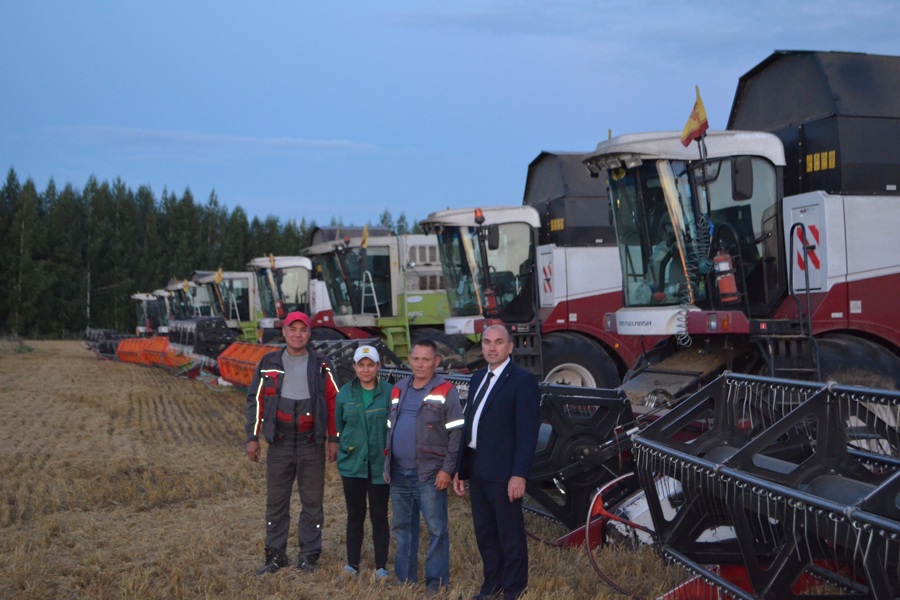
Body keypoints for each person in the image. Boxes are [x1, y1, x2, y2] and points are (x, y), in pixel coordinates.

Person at [245, 311, 339, 575]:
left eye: (303, 330)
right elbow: (256, 401)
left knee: (312, 503)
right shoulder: (268, 362)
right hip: (280, 443)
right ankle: (275, 556)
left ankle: (309, 555)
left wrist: (334, 439)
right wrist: (252, 438)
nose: (298, 334)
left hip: (311, 444)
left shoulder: (322, 364)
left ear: (309, 334)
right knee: (276, 502)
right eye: (293, 329)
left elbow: (334, 402)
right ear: (284, 332)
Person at [453, 324, 541, 600]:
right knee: (485, 531)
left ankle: (514, 588)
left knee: (509, 532)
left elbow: (527, 433)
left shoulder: (522, 381)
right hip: (478, 467)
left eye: (499, 342)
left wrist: (519, 474)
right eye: (487, 342)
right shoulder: (478, 378)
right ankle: (493, 582)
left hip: (504, 472)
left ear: (510, 347)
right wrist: (460, 468)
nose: (492, 347)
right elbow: (470, 426)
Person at [384, 338, 464, 596]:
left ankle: (435, 584)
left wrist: (447, 470)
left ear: (436, 361)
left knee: (437, 530)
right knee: (403, 528)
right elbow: (390, 428)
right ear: (409, 359)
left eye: (426, 359)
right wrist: (387, 462)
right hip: (398, 472)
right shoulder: (397, 389)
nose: (420, 364)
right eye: (416, 359)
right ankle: (405, 579)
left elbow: (456, 434)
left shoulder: (445, 390)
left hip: (429, 474)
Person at [334, 345, 393, 581]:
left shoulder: (389, 392)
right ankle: (352, 566)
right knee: (354, 515)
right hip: (353, 464)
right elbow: (340, 427)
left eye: (371, 365)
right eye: (361, 365)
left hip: (380, 465)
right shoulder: (344, 394)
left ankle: (381, 567)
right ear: (354, 367)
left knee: (379, 516)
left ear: (378, 367)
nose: (366, 369)